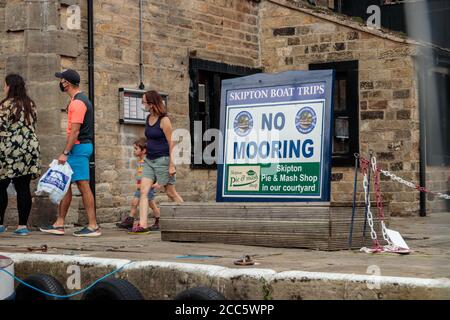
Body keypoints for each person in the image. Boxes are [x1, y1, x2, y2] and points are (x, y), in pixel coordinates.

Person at [40, 69, 100, 237]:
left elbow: (74, 131)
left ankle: (93, 225)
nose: (60, 83)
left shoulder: (78, 103)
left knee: (83, 186)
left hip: (78, 148)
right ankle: (59, 223)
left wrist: (65, 152)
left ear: (66, 83)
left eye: (61, 80)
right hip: (79, 147)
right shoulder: (78, 100)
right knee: (66, 185)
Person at [132, 90, 183, 234]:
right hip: (149, 160)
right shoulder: (148, 118)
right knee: (144, 191)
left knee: (170, 193)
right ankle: (143, 225)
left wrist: (172, 165)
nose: (142, 104)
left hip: (163, 160)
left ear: (152, 103)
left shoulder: (164, 120)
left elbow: (171, 143)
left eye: (144, 102)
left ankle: (188, 215)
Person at [0, 74, 41, 236]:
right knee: (23, 187)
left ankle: (1, 224)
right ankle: (22, 226)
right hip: (29, 149)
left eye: (4, 85)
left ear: (9, 86)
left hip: (9, 148)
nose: (4, 88)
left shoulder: (5, 105)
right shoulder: (30, 104)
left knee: (1, 185)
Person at [116, 137, 161, 231]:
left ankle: (158, 220)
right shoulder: (141, 160)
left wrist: (156, 183)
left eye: (136, 149)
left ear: (144, 150)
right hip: (141, 187)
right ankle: (130, 221)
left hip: (148, 187)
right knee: (137, 203)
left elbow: (155, 172)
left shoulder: (148, 160)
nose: (134, 151)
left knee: (147, 203)